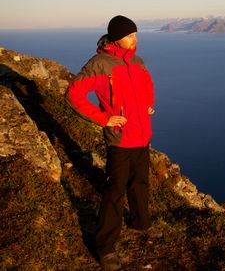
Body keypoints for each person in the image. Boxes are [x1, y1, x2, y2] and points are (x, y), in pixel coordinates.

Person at [66, 15, 161, 270]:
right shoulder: (100, 64)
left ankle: (141, 222)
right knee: (114, 192)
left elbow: (148, 84)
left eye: (136, 34)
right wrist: (104, 118)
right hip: (120, 140)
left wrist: (149, 104)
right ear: (118, 37)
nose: (136, 39)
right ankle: (106, 247)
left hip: (141, 137)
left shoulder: (137, 62)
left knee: (140, 183)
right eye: (131, 35)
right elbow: (73, 94)